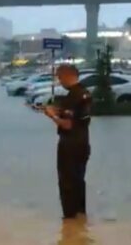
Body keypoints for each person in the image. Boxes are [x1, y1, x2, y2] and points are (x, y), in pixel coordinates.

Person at [44, 64, 92, 219]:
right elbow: (79, 117)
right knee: (79, 180)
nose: (59, 81)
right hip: (83, 142)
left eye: (59, 77)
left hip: (69, 144)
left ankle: (70, 219)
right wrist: (60, 111)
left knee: (67, 182)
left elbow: (68, 124)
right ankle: (80, 217)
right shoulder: (85, 93)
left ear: (66, 76)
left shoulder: (72, 96)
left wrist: (52, 115)